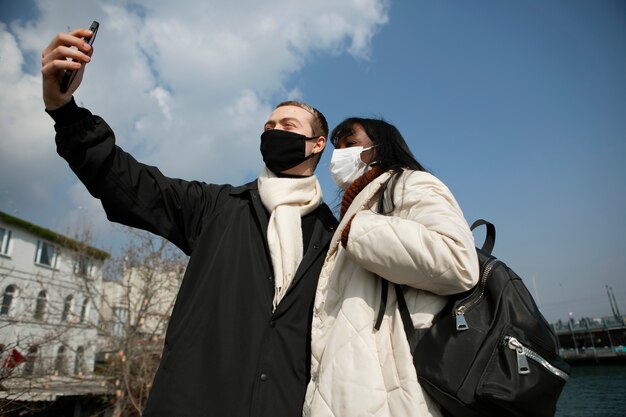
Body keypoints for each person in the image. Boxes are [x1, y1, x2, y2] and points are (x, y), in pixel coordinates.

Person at [41, 27, 338, 417]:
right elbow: (127, 181)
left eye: (287, 126)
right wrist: (64, 110)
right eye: (268, 127)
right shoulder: (217, 207)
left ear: (317, 144)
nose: (274, 132)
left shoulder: (334, 238)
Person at [303, 118, 480, 417]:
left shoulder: (410, 183)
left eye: (349, 143)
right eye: (336, 148)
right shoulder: (359, 205)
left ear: (379, 146)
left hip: (395, 388)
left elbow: (458, 261)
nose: (340, 155)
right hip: (349, 384)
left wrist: (357, 229)